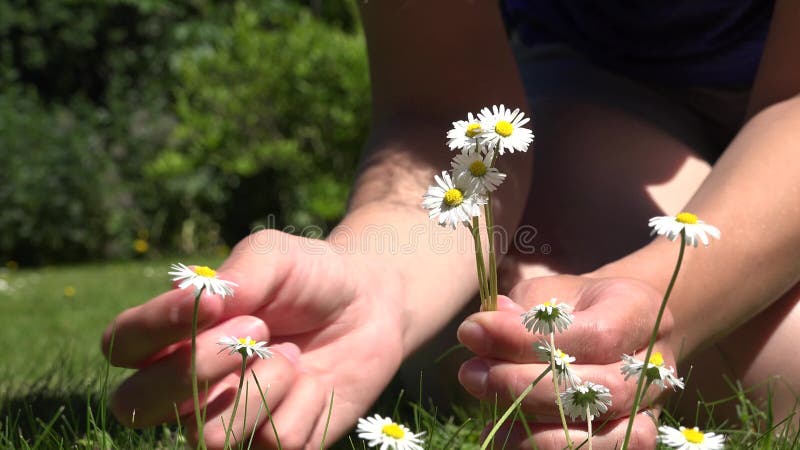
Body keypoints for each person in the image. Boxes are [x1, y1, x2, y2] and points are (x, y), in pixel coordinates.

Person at [101, 1, 800, 448]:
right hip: (606, 92)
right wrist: (378, 277)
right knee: (525, 325)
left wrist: (666, 305)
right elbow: (451, 115)